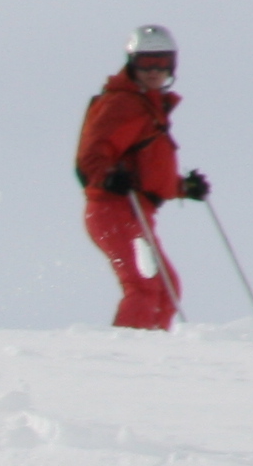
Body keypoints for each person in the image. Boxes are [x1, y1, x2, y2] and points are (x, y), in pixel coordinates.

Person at [73, 24, 211, 331]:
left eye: (162, 62)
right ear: (131, 63)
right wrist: (106, 177)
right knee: (145, 285)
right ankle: (129, 355)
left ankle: (150, 350)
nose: (154, 70)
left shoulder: (148, 107)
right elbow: (92, 154)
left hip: (134, 211)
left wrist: (181, 187)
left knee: (166, 287)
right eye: (146, 62)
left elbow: (148, 170)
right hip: (112, 209)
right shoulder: (123, 103)